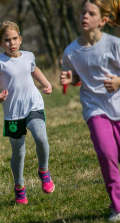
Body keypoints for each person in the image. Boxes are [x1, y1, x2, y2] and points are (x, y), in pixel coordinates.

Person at [0, 21, 55, 204]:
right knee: (19, 152)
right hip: (13, 114)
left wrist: (45, 83)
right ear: (0, 43)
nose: (12, 43)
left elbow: (34, 69)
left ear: (20, 39)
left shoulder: (29, 56)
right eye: (7, 40)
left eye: (15, 39)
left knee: (41, 138)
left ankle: (44, 171)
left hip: (34, 105)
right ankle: (20, 187)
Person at [60, 0, 120, 220]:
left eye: (91, 13)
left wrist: (118, 82)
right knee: (106, 154)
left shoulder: (114, 45)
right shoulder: (71, 51)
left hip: (119, 105)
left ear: (102, 21)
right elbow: (76, 76)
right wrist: (71, 78)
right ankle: (117, 205)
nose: (84, 16)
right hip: (94, 109)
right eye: (83, 12)